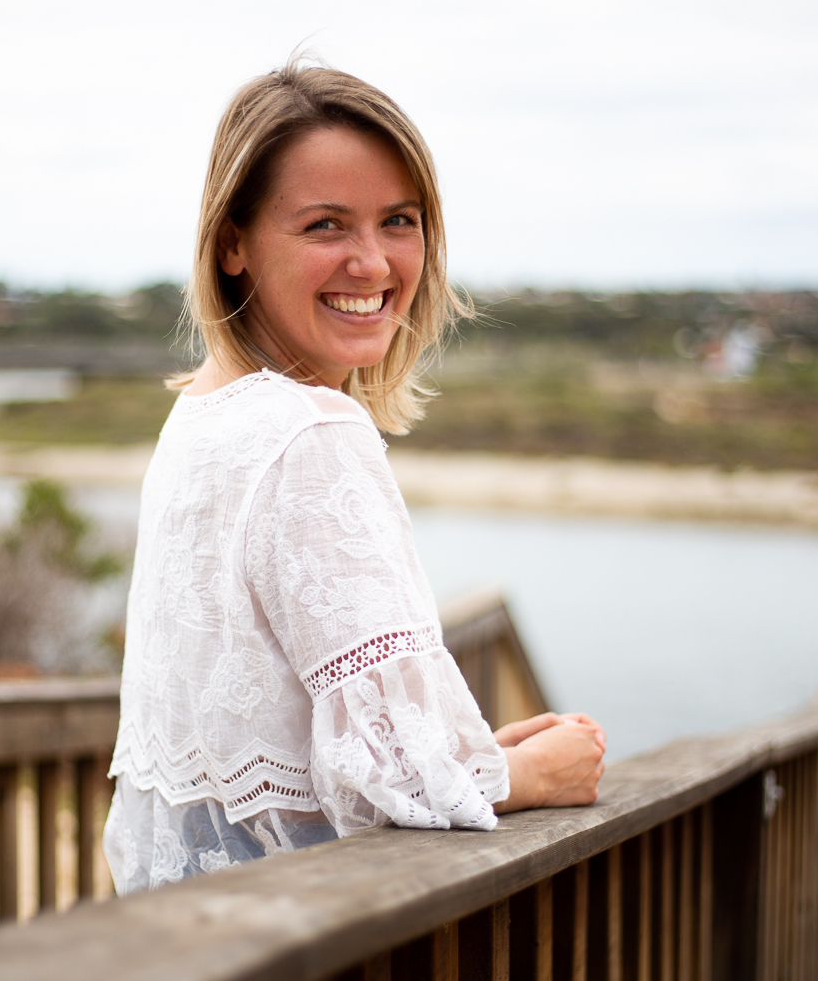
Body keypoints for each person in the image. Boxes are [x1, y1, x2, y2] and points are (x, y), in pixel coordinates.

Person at [103, 61, 605, 893]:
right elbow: (391, 779)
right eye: (326, 226)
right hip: (311, 932)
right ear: (233, 241)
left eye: (398, 221)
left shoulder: (202, 415)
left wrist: (472, 757)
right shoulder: (308, 430)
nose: (372, 264)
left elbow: (288, 737)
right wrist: (538, 776)